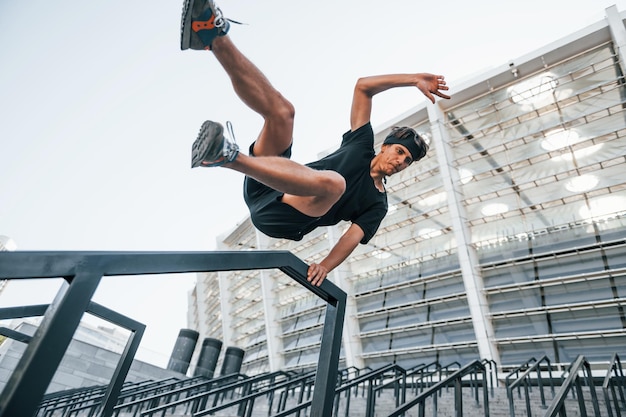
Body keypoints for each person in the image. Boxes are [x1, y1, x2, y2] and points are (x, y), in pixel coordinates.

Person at [181, 0, 451, 286]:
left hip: (284, 218)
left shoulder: (377, 203)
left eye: (407, 161)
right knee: (283, 113)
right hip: (267, 182)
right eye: (399, 151)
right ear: (384, 146)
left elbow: (351, 237)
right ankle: (210, 34)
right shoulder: (361, 144)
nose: (400, 162)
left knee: (334, 184)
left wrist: (325, 265)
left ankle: (226, 156)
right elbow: (363, 87)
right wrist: (412, 79)